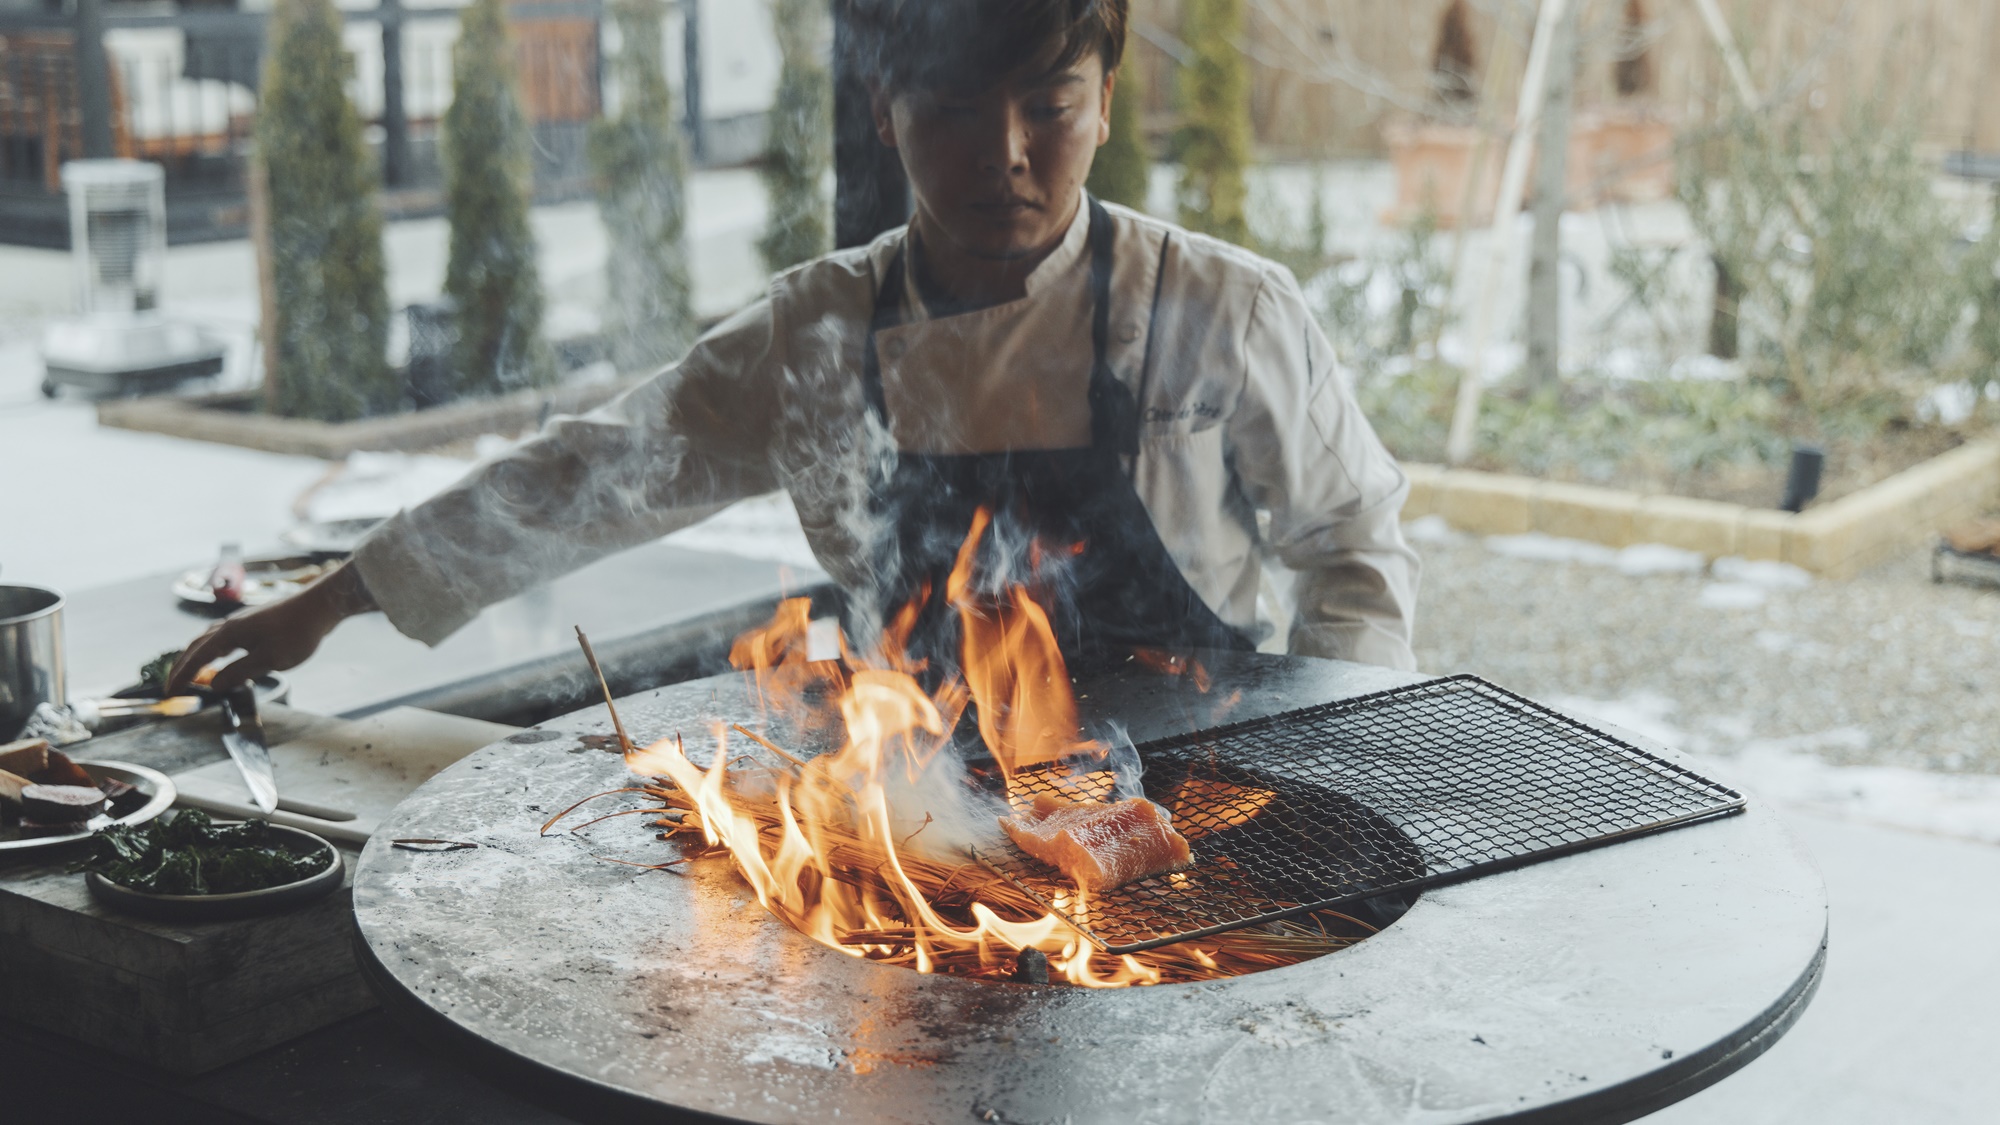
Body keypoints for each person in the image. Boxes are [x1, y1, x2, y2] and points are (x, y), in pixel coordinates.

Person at [168, 0, 1419, 697]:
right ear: (885, 111)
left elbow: (1350, 551)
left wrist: (1322, 748)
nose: (1009, 160)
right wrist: (332, 604)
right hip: (926, 825)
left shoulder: (1220, 308)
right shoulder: (818, 330)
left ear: (1104, 96)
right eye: (952, 114)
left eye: (1048, 106)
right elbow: (591, 474)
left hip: (1191, 813)